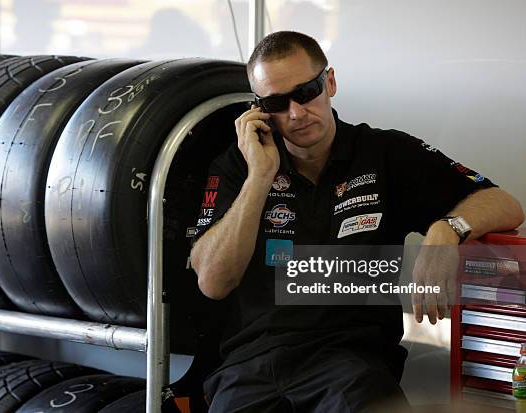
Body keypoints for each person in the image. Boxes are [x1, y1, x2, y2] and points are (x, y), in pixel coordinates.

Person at [189, 31, 524, 412]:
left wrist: (445, 231)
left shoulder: (384, 154)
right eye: (277, 103)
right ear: (258, 109)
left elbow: (505, 203)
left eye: (306, 92)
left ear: (329, 82)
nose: (297, 113)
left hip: (349, 364)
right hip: (248, 368)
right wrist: (259, 177)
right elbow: (213, 283)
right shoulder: (239, 165)